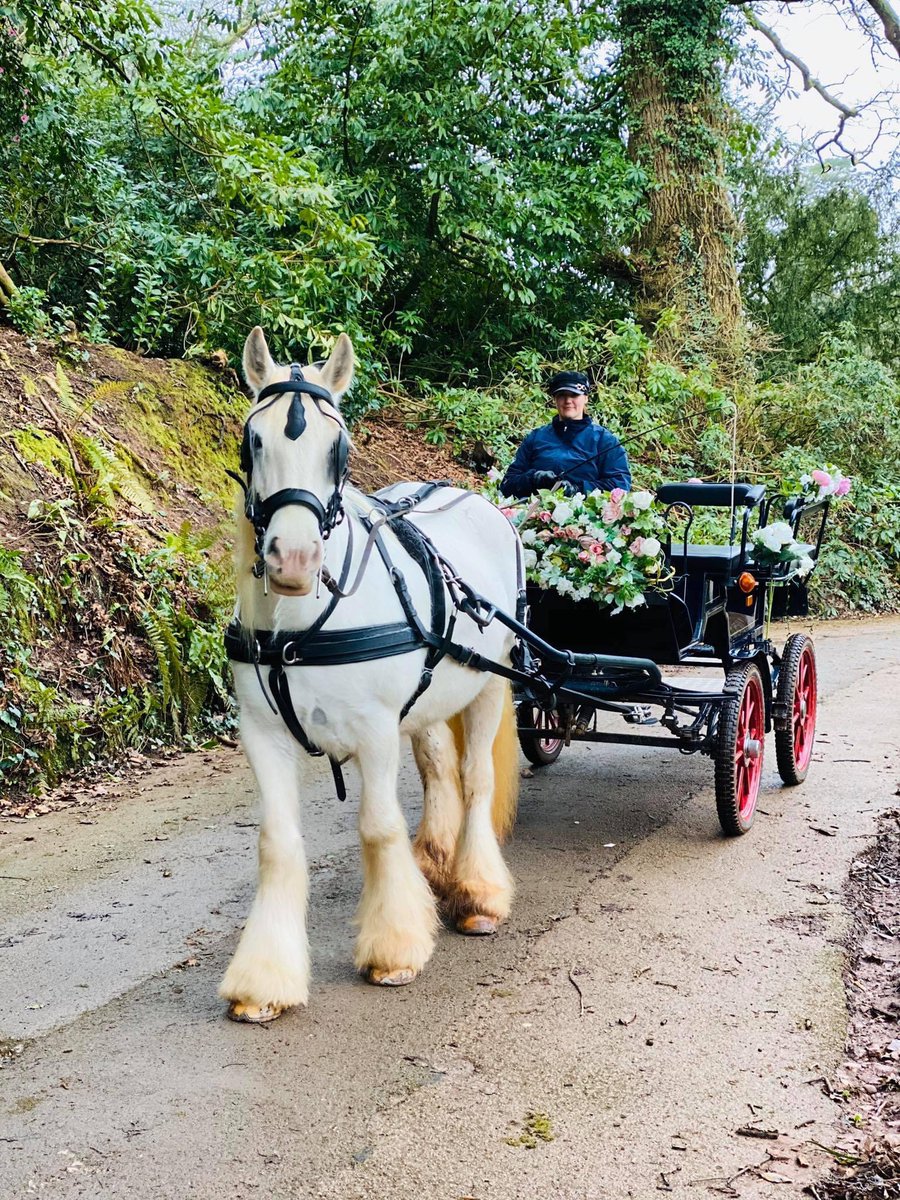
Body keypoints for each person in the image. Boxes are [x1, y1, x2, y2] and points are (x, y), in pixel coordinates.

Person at [500, 370, 631, 499]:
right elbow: (507, 485)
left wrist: (577, 490)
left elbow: (620, 485)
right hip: (533, 509)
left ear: (586, 398)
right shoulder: (536, 437)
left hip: (584, 511)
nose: (568, 400)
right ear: (554, 399)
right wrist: (533, 478)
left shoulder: (605, 440)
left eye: (574, 395)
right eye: (562, 395)